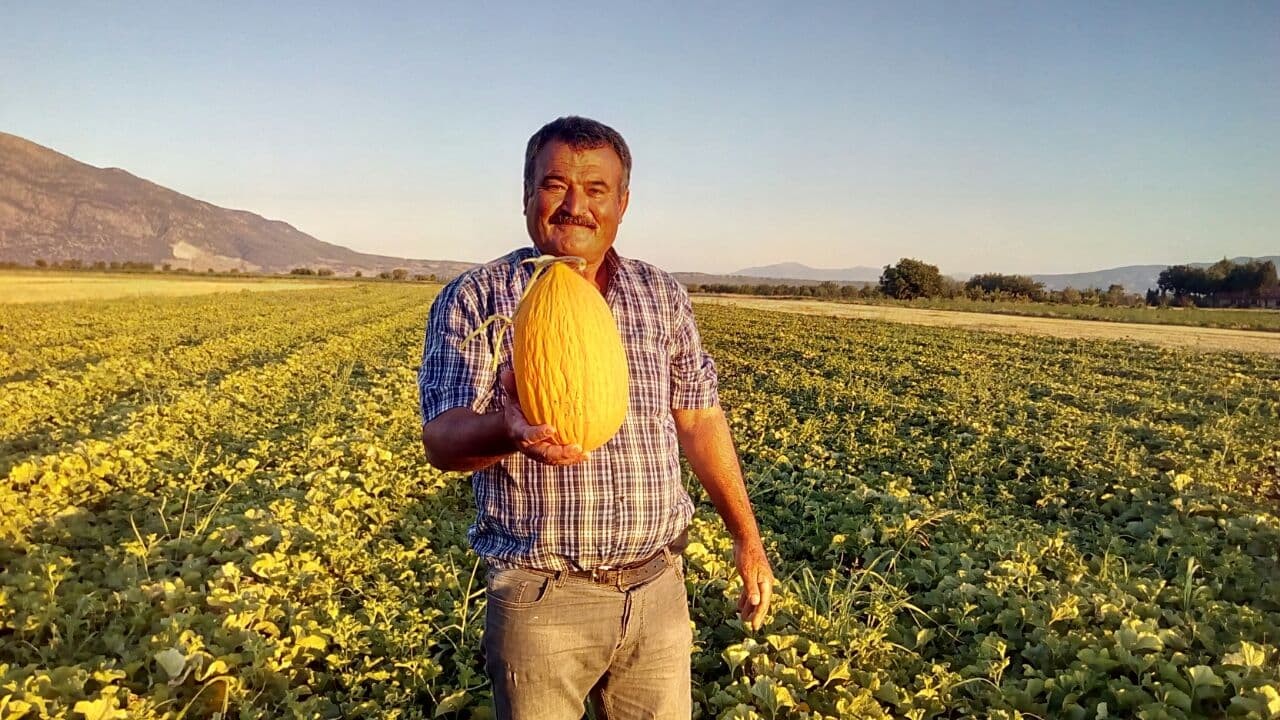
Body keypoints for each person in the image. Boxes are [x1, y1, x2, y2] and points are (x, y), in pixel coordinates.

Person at [418, 115, 773, 719]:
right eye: (555, 184)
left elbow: (699, 419)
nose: (574, 205)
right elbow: (442, 440)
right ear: (527, 195)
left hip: (657, 590)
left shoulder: (661, 294)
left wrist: (748, 538)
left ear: (623, 202)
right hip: (541, 598)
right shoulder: (476, 297)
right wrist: (507, 429)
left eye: (596, 189)